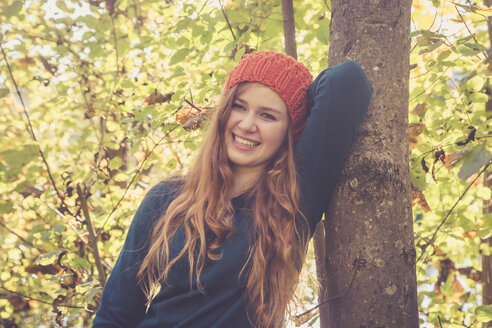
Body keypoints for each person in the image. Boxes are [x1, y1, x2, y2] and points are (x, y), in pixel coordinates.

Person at [92, 51, 372, 328]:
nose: (247, 124)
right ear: (224, 112)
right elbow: (115, 314)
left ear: (290, 131)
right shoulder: (166, 199)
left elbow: (346, 82)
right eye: (239, 106)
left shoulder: (294, 200)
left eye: (268, 116)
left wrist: (298, 102)